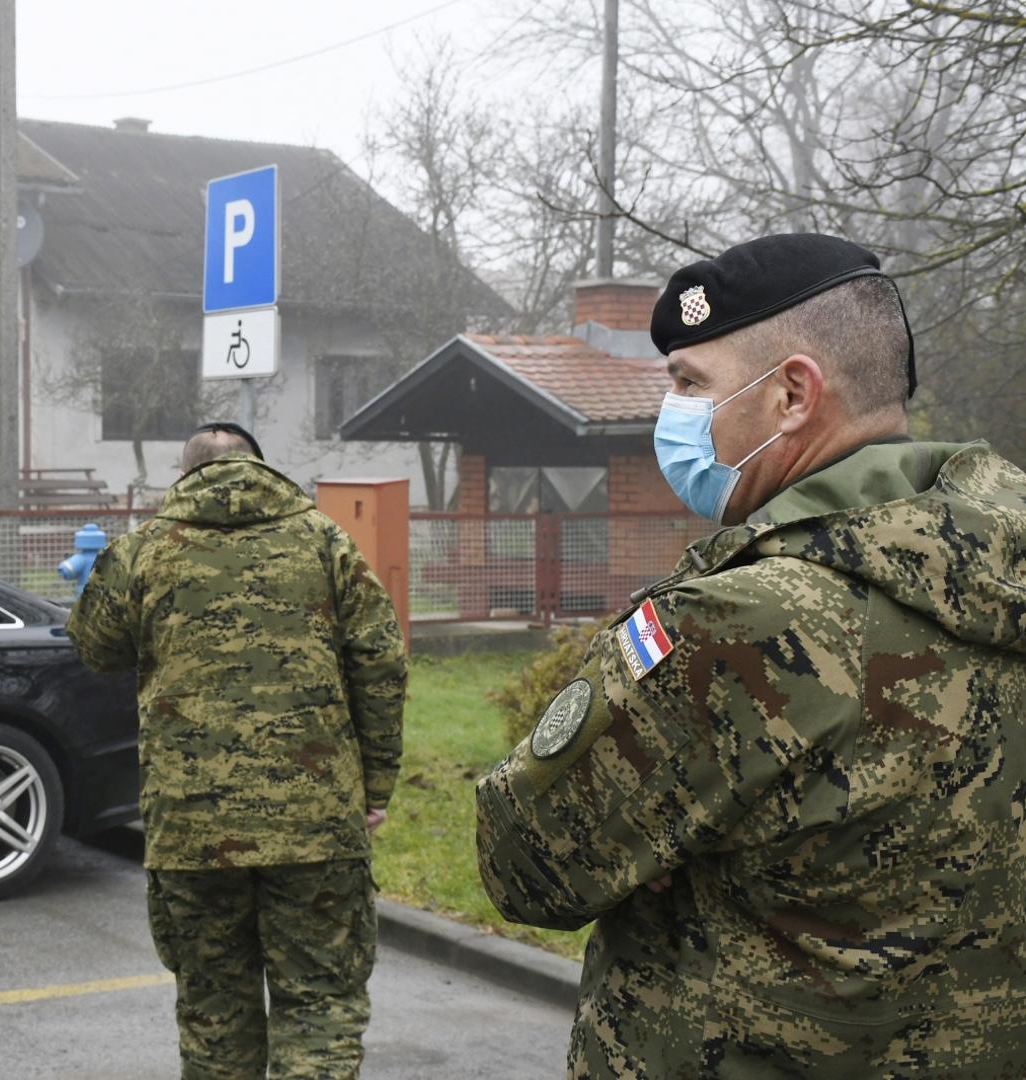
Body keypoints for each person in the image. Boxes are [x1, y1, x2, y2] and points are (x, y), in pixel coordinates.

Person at [475, 233, 1026, 1077]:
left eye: (691, 384)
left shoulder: (744, 624)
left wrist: (662, 844)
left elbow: (524, 860)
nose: (674, 414)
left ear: (793, 395)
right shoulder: (1000, 567)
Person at [66, 422, 407, 1080]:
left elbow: (94, 647)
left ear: (184, 473)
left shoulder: (144, 550)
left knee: (214, 1016)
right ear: (261, 465)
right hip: (316, 824)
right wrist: (376, 787)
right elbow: (380, 663)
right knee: (320, 1008)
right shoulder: (324, 540)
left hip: (191, 830)